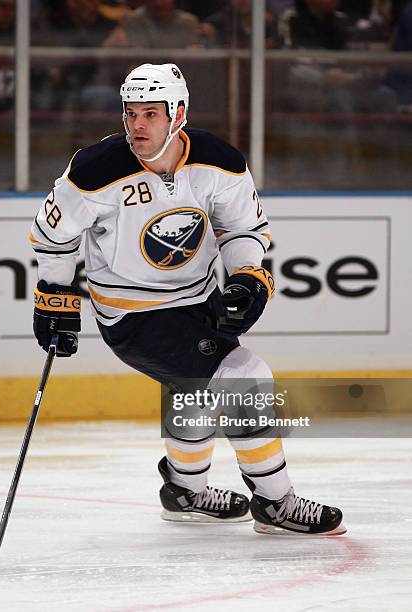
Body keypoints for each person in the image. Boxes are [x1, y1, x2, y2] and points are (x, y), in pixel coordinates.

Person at [30, 63, 346, 535]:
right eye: (130, 113)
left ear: (177, 114)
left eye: (150, 114)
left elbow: (243, 228)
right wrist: (54, 297)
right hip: (133, 316)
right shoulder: (96, 170)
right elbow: (50, 235)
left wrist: (245, 278)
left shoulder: (219, 162)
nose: (137, 125)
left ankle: (184, 490)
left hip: (199, 301)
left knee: (195, 391)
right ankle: (275, 502)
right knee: (245, 376)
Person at [104, 0, 200, 48]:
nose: (159, 3)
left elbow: (197, 53)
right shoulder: (133, 20)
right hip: (139, 76)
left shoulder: (188, 22)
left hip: (178, 76)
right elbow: (109, 51)